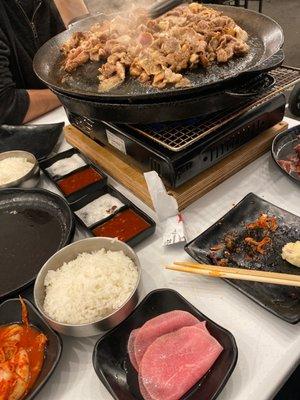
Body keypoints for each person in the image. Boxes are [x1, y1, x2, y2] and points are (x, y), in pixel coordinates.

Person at [0, 0, 89, 125]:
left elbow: (92, 49)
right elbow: (6, 106)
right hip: (28, 133)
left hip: (70, 114)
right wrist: (74, 95)